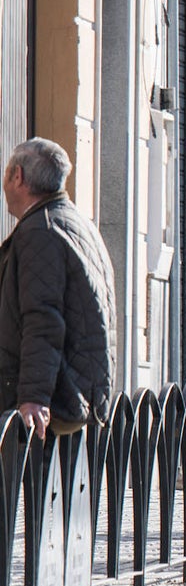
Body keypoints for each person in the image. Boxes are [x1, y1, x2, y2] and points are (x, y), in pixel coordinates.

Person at [0, 138, 116, 440]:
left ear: (18, 177)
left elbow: (43, 319)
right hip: (76, 394)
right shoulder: (76, 223)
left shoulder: (42, 230)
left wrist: (33, 397)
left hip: (48, 405)